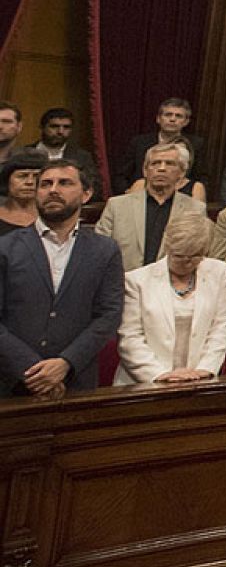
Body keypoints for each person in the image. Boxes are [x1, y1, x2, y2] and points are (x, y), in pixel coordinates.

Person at [0, 160, 123, 397]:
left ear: (86, 194)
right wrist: (34, 371)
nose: (53, 190)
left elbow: (108, 315)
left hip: (75, 381)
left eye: (64, 183)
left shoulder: (105, 250)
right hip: (10, 382)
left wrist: (66, 363)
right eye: (45, 184)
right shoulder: (5, 247)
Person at [114, 216, 226, 384]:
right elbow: (130, 337)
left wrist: (205, 369)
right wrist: (160, 375)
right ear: (168, 247)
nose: (187, 262)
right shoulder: (137, 280)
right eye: (179, 256)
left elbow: (221, 327)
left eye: (195, 256)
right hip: (145, 381)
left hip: (199, 380)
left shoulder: (221, 273)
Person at [94, 143, 216, 272]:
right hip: (123, 283)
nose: (161, 168)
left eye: (169, 163)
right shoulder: (117, 206)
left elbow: (200, 254)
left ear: (181, 173)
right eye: (155, 163)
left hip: (171, 285)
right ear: (145, 171)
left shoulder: (195, 209)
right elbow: (99, 251)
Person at [116, 98, 205, 195]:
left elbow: (202, 177)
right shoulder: (139, 142)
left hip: (181, 197)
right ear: (158, 118)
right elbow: (121, 175)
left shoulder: (196, 144)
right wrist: (128, 193)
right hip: (141, 194)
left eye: (178, 116)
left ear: (186, 121)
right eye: (168, 115)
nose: (172, 119)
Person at [30, 108, 97, 176]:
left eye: (66, 127)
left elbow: (93, 184)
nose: (60, 131)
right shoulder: (24, 153)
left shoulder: (82, 157)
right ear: (42, 127)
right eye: (54, 126)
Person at [0, 150, 44, 236]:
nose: (30, 182)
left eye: (36, 176)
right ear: (7, 180)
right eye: (22, 176)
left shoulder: (55, 219)